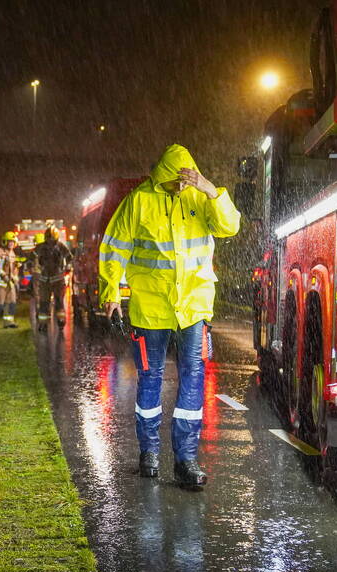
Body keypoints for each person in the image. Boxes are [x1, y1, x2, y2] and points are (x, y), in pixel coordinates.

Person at [99, 143, 241, 489]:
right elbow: (114, 248)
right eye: (173, 181)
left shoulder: (200, 198)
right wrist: (111, 294)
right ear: (161, 175)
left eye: (185, 180)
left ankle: (186, 459)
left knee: (193, 379)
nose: (180, 187)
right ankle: (148, 453)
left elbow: (230, 226)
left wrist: (211, 190)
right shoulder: (138, 202)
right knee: (150, 379)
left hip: (193, 307)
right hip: (151, 310)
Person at [33, 226, 72, 332]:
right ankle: (43, 324)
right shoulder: (40, 247)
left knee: (59, 302)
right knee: (44, 303)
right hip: (44, 279)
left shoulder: (60, 246)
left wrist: (67, 268)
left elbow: (69, 258)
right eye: (49, 238)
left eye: (52, 238)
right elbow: (32, 258)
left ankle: (60, 321)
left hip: (58, 279)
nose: (50, 241)